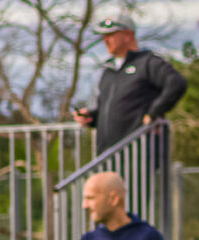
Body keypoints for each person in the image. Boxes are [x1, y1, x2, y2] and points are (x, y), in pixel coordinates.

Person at [76, 19, 186, 154]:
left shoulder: (148, 62)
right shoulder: (108, 71)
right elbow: (108, 109)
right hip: (107, 156)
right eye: (103, 37)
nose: (105, 41)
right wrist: (91, 117)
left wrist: (154, 113)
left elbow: (176, 83)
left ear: (128, 35)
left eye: (111, 35)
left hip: (139, 155)